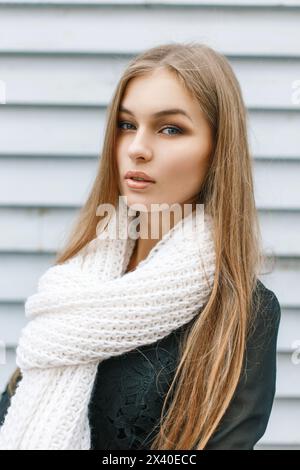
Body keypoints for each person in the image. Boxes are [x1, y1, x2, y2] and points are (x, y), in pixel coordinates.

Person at [0, 42, 281, 450]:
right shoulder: (76, 280)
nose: (137, 148)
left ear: (218, 151)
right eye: (127, 125)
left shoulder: (242, 310)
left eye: (170, 129)